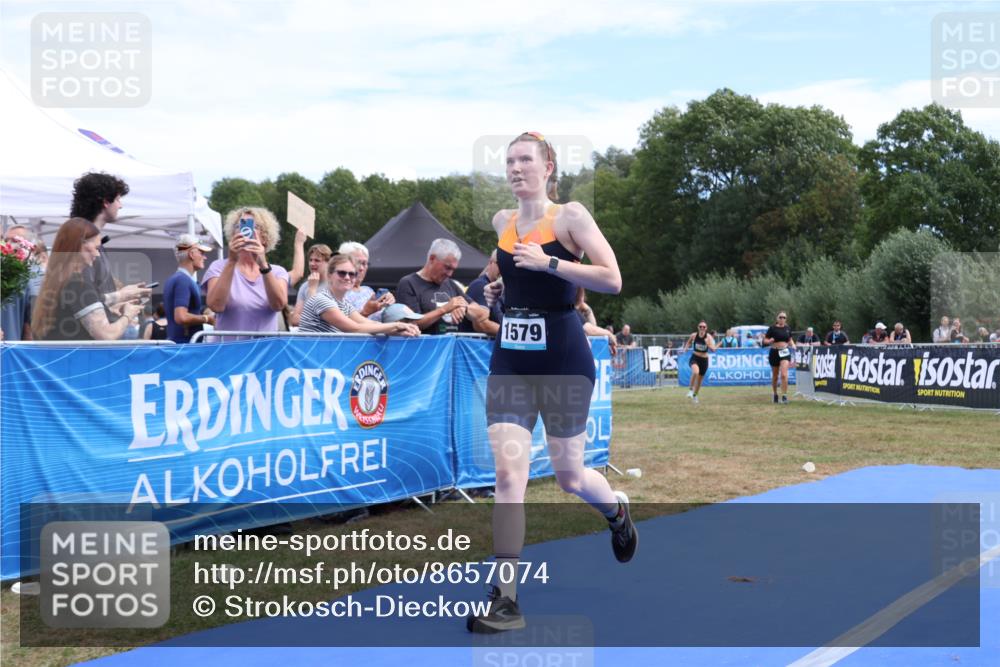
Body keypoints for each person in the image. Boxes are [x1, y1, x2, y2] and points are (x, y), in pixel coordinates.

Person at [467, 131, 634, 635]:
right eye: (509, 161)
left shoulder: (570, 217)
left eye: (526, 160)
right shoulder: (503, 222)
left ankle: (616, 512)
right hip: (511, 362)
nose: (516, 168)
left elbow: (612, 278)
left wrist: (552, 263)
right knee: (508, 476)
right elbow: (503, 272)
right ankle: (506, 600)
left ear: (548, 167)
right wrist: (497, 287)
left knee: (570, 477)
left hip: (563, 359)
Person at [31, 218, 143, 341]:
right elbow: (106, 335)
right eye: (96, 248)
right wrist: (128, 315)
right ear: (80, 245)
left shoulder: (59, 279)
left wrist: (119, 297)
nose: (97, 255)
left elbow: (82, 304)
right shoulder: (78, 283)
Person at [70, 172, 152, 320]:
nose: (121, 205)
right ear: (106, 202)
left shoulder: (91, 243)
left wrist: (121, 299)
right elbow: (83, 300)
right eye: (118, 199)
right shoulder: (81, 245)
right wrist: (122, 295)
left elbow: (94, 297)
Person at [203, 207, 289, 339]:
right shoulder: (218, 267)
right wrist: (231, 261)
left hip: (264, 349)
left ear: (265, 237)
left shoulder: (278, 272)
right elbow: (216, 306)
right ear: (233, 234)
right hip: (230, 349)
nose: (245, 230)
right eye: (240, 225)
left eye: (255, 226)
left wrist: (263, 265)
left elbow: (278, 305)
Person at [298, 254, 420, 337]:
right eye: (342, 273)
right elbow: (355, 328)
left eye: (352, 274)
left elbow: (367, 323)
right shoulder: (322, 299)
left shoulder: (344, 304)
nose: (347, 277)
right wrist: (397, 325)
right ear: (329, 275)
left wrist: (397, 331)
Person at [395, 239, 468, 334]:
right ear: (432, 258)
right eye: (447, 267)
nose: (450, 274)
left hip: (451, 343)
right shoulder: (408, 283)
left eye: (453, 269)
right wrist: (445, 309)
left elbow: (478, 309)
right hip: (424, 343)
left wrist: (463, 307)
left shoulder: (450, 284)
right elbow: (411, 324)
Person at [164, 233, 215, 343]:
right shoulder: (183, 280)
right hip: (185, 346)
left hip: (180, 345)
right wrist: (207, 319)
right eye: (201, 253)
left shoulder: (176, 279)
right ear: (192, 254)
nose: (205, 257)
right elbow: (181, 317)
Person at [339, 241, 394, 320]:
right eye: (357, 263)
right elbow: (340, 325)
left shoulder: (368, 290)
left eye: (364, 263)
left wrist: (388, 302)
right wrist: (365, 312)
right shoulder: (337, 294)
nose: (361, 268)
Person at [0, 225, 36, 341]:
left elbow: (28, 328)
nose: (8, 244)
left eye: (15, 241)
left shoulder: (27, 278)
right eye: (6, 240)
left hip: (11, 348)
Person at [289, 242, 333, 327]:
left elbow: (332, 320)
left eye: (317, 260)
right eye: (310, 260)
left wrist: (312, 289)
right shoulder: (305, 286)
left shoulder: (334, 285)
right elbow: (295, 319)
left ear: (328, 263)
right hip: (307, 334)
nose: (312, 264)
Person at [459, 251, 503, 336]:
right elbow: (481, 324)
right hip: (475, 343)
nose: (503, 270)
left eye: (507, 266)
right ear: (490, 263)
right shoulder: (480, 285)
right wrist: (508, 333)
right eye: (500, 264)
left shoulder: (500, 290)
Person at [763, 311, 796, 404]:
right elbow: (765, 340)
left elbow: (790, 339)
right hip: (774, 351)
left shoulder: (787, 328)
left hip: (784, 352)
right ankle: (775, 394)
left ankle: (784, 396)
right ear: (777, 318)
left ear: (786, 319)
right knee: (775, 376)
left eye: (784, 317)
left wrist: (793, 345)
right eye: (780, 317)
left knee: (784, 375)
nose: (782, 319)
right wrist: (769, 341)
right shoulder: (772, 328)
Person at [681, 321, 717, 404]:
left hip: (704, 360)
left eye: (704, 327)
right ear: (698, 327)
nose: (702, 328)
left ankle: (695, 395)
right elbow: (688, 342)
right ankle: (690, 390)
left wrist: (708, 344)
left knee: (700, 380)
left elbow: (714, 349)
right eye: (700, 326)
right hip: (695, 357)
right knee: (695, 372)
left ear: (706, 328)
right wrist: (685, 348)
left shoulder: (709, 337)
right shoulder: (694, 335)